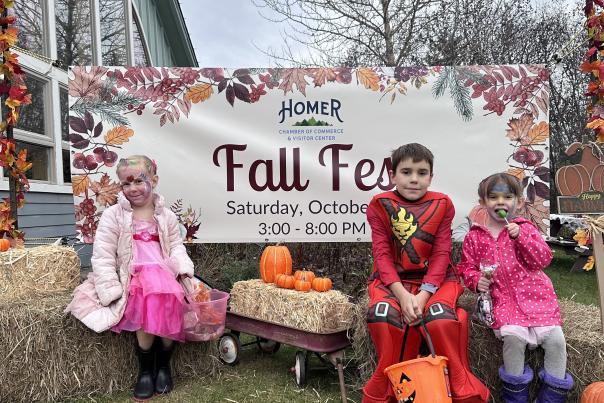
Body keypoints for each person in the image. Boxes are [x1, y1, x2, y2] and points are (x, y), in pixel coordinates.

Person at [364, 143, 490, 403]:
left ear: (431, 177)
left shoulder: (443, 204)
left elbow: (441, 255)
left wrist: (422, 297)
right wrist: (401, 296)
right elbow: (383, 256)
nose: (414, 179)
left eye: (422, 173)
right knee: (384, 316)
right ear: (393, 175)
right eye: (406, 172)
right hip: (393, 282)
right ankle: (387, 388)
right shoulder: (379, 204)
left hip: (436, 280)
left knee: (439, 318)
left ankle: (459, 384)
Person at [65, 155, 194, 401]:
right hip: (133, 274)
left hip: (164, 272)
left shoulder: (166, 216)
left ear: (154, 181)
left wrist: (183, 268)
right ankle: (146, 370)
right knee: (146, 303)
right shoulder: (114, 216)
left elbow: (176, 247)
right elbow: (102, 255)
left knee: (170, 301)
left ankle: (164, 365)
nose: (132, 188)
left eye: (139, 181)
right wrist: (109, 286)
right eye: (126, 183)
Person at [457, 172, 573, 403]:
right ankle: (515, 397)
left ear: (518, 202)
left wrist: (521, 238)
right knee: (513, 340)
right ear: (483, 203)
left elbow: (542, 260)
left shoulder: (526, 228)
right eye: (493, 197)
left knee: (556, 341)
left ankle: (552, 398)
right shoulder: (475, 237)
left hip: (537, 298)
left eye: (507, 196)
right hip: (505, 302)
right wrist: (475, 280)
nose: (500, 202)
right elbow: (465, 268)